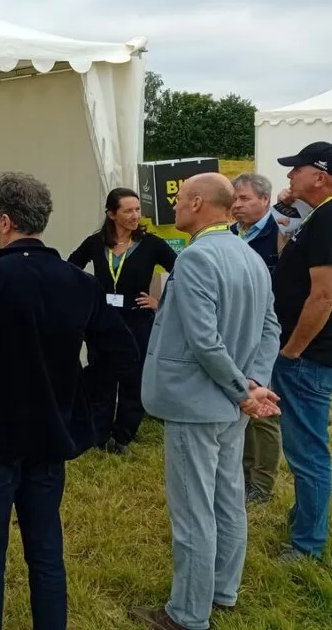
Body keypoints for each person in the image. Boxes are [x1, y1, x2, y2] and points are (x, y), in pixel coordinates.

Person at [0, 172, 139, 630]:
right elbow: (121, 353)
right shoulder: (77, 283)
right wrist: (79, 395)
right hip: (49, 434)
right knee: (46, 551)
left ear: (4, 222)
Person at [132, 173, 281, 630]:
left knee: (195, 511)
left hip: (199, 403)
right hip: (230, 404)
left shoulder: (197, 258)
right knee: (227, 498)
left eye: (178, 201)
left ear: (197, 203)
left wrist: (244, 392)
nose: (172, 209)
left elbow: (204, 341)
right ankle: (222, 589)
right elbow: (270, 328)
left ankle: (188, 613)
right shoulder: (250, 256)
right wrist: (253, 383)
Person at [269, 141, 332, 562]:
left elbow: (325, 295)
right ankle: (303, 522)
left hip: (309, 356)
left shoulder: (331, 216)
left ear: (321, 173)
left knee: (307, 450)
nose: (290, 176)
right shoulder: (322, 216)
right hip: (318, 352)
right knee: (307, 445)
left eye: (297, 169)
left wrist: (292, 351)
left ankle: (307, 545)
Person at [68, 187, 177, 455]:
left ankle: (123, 436)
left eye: (137, 210)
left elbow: (182, 270)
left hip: (137, 320)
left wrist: (159, 302)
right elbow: (71, 267)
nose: (135, 216)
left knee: (134, 380)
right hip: (102, 323)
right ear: (112, 213)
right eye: (128, 210)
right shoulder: (96, 243)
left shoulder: (150, 244)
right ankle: (99, 435)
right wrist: (86, 298)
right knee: (101, 378)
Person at [229, 173, 283, 505]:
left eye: (244, 199)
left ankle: (261, 485)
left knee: (263, 413)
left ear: (265, 199)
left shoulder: (281, 234)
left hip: (266, 337)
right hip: (236, 336)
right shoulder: (232, 235)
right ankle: (243, 475)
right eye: (233, 199)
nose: (237, 205)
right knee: (242, 405)